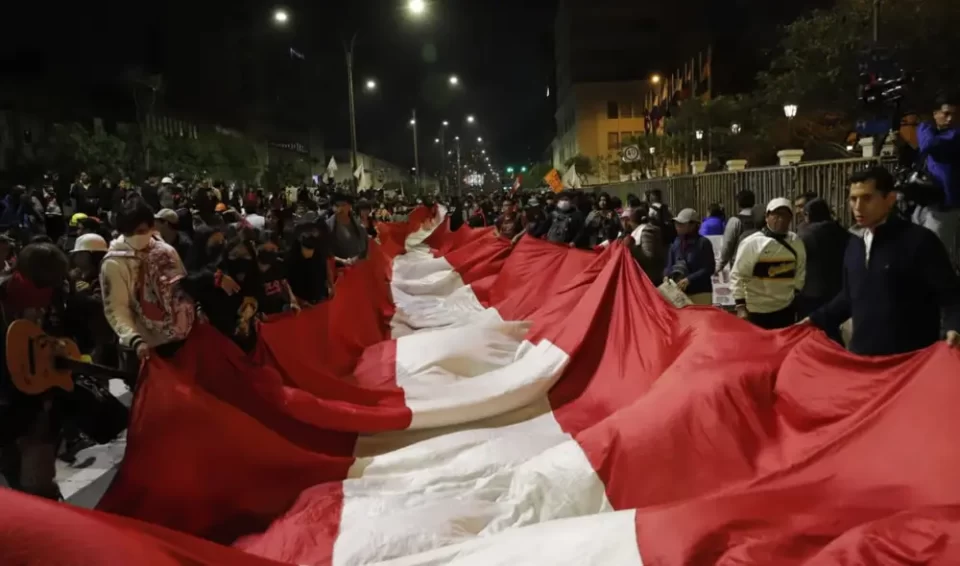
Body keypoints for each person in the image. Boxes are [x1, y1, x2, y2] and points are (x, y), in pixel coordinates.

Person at [805, 167, 960, 355]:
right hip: (862, 358)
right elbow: (849, 297)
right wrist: (813, 320)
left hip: (910, 361)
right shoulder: (854, 243)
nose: (858, 207)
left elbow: (951, 296)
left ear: (890, 199)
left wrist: (954, 328)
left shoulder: (919, 241)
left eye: (867, 198)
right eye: (853, 199)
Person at [0, 242, 72, 499]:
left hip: (42, 395)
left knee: (38, 477)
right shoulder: (4, 295)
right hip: (8, 395)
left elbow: (67, 331)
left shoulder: (57, 295)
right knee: (14, 466)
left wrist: (59, 346)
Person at [100, 199, 196, 363]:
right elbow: (116, 308)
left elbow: (182, 287)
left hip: (180, 341)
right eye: (129, 233)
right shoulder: (114, 263)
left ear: (152, 227)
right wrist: (135, 340)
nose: (135, 236)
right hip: (145, 347)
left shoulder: (165, 251)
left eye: (141, 231)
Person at [731, 198, 806, 329]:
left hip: (784, 309)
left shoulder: (795, 241)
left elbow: (800, 271)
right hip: (756, 311)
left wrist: (794, 295)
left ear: (790, 218)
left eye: (785, 215)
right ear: (767, 217)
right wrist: (741, 307)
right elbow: (738, 275)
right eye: (776, 214)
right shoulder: (752, 243)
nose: (781, 219)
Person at [181, 236, 263, 352]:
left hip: (242, 347)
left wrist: (248, 317)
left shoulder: (253, 280)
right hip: (213, 344)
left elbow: (255, 298)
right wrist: (216, 279)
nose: (240, 260)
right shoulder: (215, 273)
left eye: (245, 256)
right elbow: (187, 282)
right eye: (234, 255)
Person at [913, 92, 960, 263]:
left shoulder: (955, 135)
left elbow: (928, 144)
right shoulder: (936, 134)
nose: (950, 119)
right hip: (925, 203)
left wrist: (923, 126)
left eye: (954, 115)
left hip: (946, 207)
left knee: (937, 257)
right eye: (946, 114)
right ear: (936, 114)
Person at [796, 198, 849, 342]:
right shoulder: (842, 232)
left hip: (811, 291)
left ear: (810, 214)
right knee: (832, 329)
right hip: (837, 289)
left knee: (813, 330)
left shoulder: (807, 234)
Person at [665, 208, 715, 305]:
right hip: (679, 294)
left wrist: (689, 279)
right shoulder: (676, 242)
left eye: (681, 224)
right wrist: (666, 275)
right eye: (676, 223)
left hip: (700, 293)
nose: (677, 226)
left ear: (693, 225)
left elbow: (709, 268)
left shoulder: (703, 243)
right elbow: (669, 264)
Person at [287, 212, 333, 306]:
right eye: (309, 230)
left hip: (320, 297)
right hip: (301, 302)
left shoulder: (319, 249)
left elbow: (326, 266)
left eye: (314, 230)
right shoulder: (292, 256)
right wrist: (298, 300)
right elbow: (286, 281)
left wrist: (330, 285)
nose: (311, 233)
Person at [717, 189, 762, 273]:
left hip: (739, 263)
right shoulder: (762, 220)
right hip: (759, 262)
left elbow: (728, 244)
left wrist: (721, 264)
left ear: (738, 203)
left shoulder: (735, 221)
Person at [623, 203, 665, 286]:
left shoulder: (646, 232)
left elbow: (649, 257)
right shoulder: (641, 231)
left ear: (632, 222)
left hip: (650, 276)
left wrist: (632, 247)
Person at [326, 193, 368, 264]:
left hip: (357, 266)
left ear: (350, 206)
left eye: (343, 205)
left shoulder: (360, 228)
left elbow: (364, 250)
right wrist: (341, 261)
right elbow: (325, 251)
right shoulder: (326, 227)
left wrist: (355, 259)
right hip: (335, 267)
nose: (340, 208)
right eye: (337, 205)